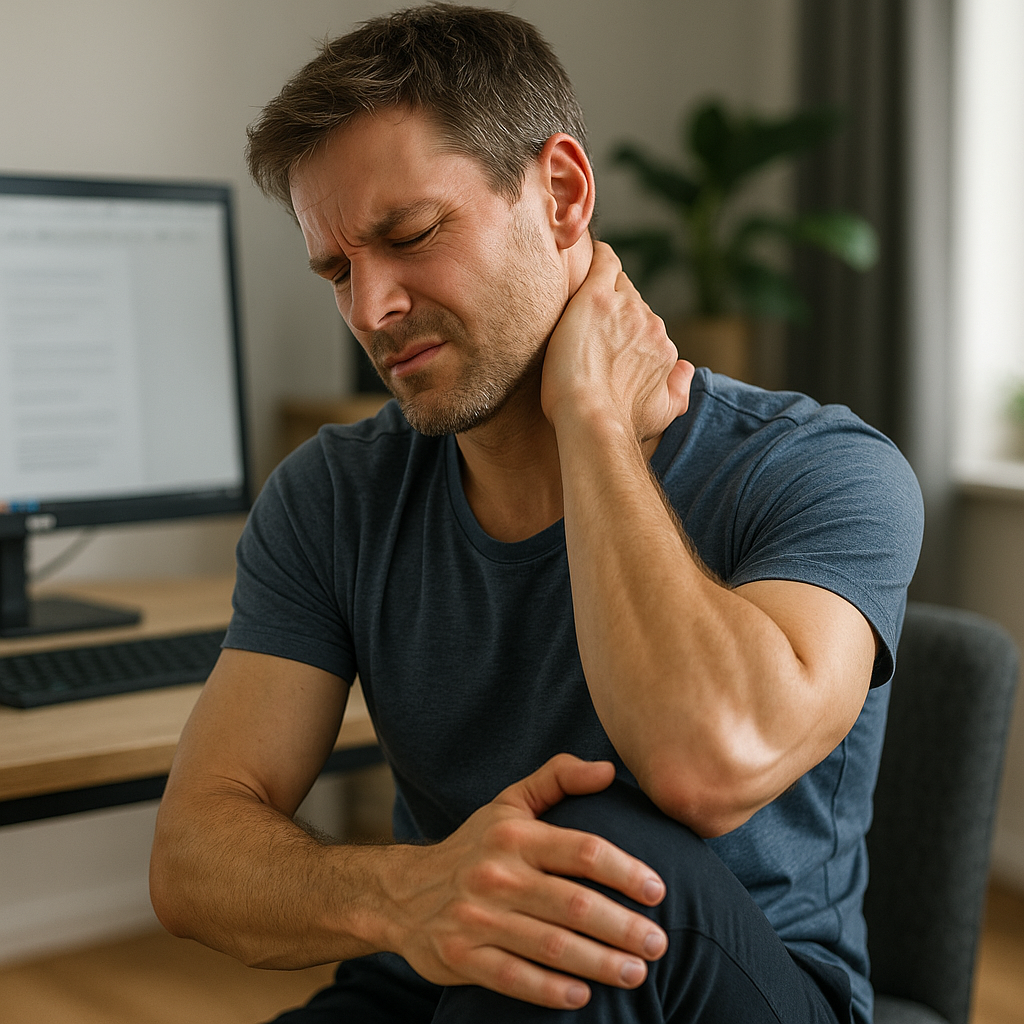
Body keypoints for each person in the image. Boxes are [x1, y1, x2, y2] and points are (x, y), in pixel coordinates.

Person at [149, 5, 924, 1023]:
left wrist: (590, 417)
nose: (370, 307)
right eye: (338, 269)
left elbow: (703, 765)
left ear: (559, 193)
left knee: (595, 857)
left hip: (734, 988)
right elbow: (193, 854)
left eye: (410, 235)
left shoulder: (819, 468)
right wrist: (403, 892)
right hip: (454, 967)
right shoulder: (335, 492)